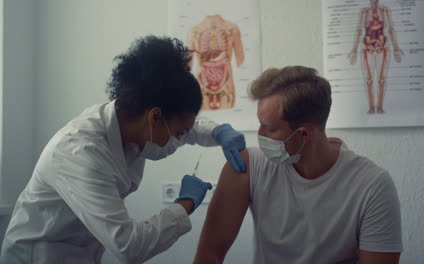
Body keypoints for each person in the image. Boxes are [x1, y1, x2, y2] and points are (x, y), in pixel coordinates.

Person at [0, 35, 246, 264]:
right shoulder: (80, 153)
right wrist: (184, 204)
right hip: (39, 255)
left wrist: (217, 132)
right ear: (155, 116)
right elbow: (129, 246)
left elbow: (185, 126)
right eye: (179, 133)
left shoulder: (134, 127)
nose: (178, 140)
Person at [194, 66, 402, 263]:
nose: (259, 134)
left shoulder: (372, 186)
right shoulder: (247, 167)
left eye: (269, 128)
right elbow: (208, 256)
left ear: (303, 133)